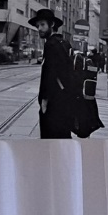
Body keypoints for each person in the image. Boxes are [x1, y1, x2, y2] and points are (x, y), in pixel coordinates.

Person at [31, 8, 75, 139]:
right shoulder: (64, 43)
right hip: (65, 101)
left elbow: (49, 74)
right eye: (38, 25)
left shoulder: (51, 44)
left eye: (43, 25)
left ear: (52, 25)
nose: (39, 28)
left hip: (53, 104)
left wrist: (44, 101)